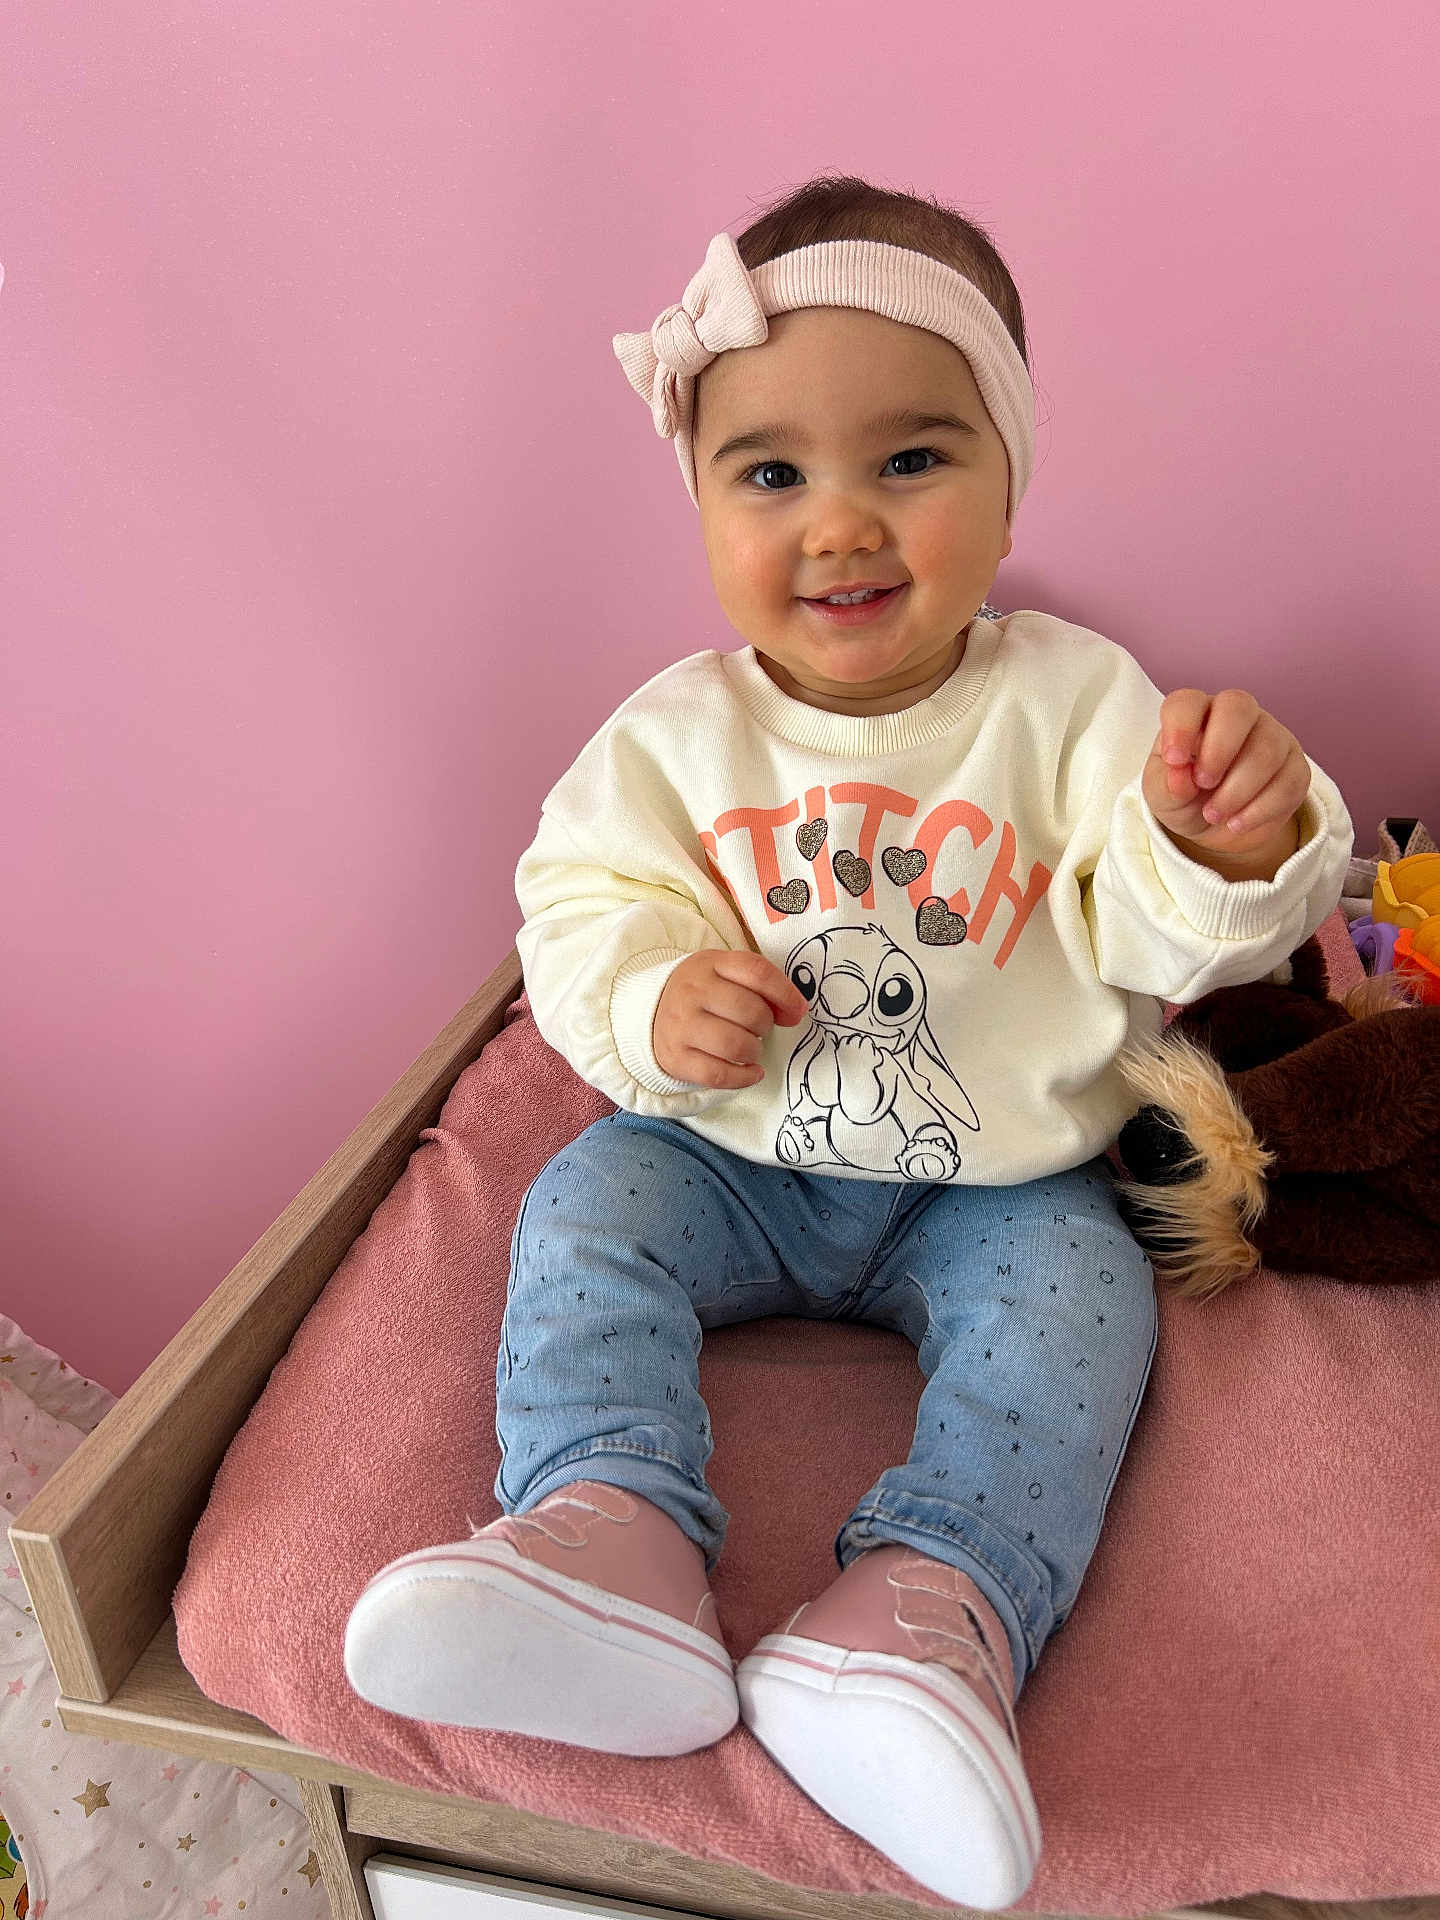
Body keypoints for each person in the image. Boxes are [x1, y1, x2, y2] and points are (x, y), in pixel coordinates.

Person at [343, 174, 1354, 1909]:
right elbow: (574, 913)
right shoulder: (671, 740)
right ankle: (609, 1536)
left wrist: (1232, 845)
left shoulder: (1077, 704)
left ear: (1011, 477)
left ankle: (927, 1618)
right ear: (704, 506)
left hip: (1000, 1180)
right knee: (585, 1210)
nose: (841, 525)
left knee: (1080, 1309)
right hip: (727, 1155)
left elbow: (1166, 936)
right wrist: (656, 994)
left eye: (910, 460)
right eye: (771, 473)